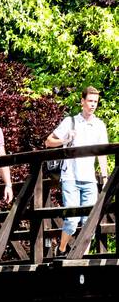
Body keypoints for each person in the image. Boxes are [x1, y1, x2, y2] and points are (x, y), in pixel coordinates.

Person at [46, 87, 110, 256]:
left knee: (89, 221)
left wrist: (105, 177)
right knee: (72, 220)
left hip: (89, 179)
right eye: (90, 101)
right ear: (82, 101)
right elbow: (48, 142)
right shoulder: (71, 121)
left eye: (95, 102)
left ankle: (80, 255)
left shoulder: (99, 125)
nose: (92, 105)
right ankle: (61, 250)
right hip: (71, 178)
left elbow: (102, 155)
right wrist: (66, 139)